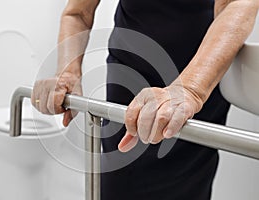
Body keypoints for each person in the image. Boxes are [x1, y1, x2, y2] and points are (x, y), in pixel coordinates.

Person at [32, 0, 258, 199]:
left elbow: (237, 3)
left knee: (189, 186)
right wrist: (68, 72)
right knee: (119, 181)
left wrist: (190, 89)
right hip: (129, 80)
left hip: (199, 79)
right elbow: (78, 12)